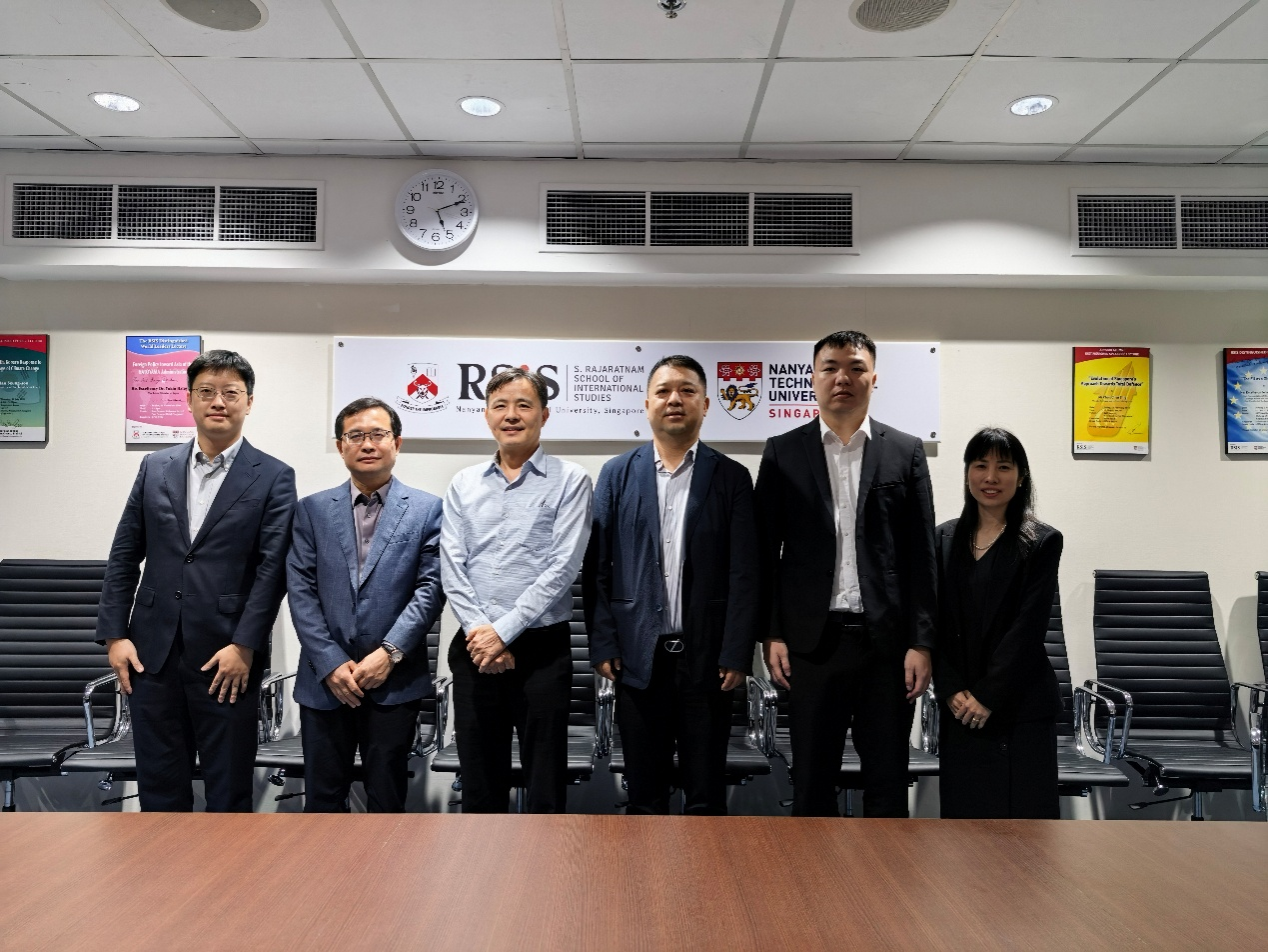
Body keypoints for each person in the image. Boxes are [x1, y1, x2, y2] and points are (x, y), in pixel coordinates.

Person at [98, 350, 296, 812]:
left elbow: (273, 571)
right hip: (151, 654)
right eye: (206, 391)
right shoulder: (155, 467)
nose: (218, 402)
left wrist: (245, 645)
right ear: (188, 400)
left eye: (231, 393)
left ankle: (227, 865)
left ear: (249, 402)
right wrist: (115, 636)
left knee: (228, 791)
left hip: (226, 658)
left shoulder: (273, 476)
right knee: (159, 786)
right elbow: (124, 553)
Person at [755, 330, 937, 818]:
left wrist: (922, 643)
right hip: (811, 644)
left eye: (856, 368)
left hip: (888, 646)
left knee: (887, 781)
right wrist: (772, 632)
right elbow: (764, 554)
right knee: (812, 781)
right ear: (812, 377)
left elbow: (922, 556)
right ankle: (813, 870)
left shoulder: (905, 451)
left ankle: (885, 871)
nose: (843, 378)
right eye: (831, 367)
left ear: (873, 379)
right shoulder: (782, 451)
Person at [584, 355, 759, 815]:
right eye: (663, 391)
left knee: (705, 796)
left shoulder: (732, 477)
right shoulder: (617, 474)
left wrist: (736, 652)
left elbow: (745, 574)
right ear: (647, 405)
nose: (674, 400)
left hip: (709, 662)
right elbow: (597, 568)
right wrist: (603, 643)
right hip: (637, 658)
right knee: (645, 796)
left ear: (706, 403)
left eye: (686, 390)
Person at [440, 368, 593, 813]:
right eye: (500, 406)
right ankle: (484, 860)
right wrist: (482, 631)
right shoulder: (464, 483)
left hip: (542, 652)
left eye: (524, 405)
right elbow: (452, 564)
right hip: (475, 648)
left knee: (544, 782)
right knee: (479, 781)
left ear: (544, 415)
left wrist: (503, 632)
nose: (511, 415)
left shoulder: (571, 479)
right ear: (487, 415)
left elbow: (562, 567)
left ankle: (542, 862)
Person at [285, 397, 444, 813]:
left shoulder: (428, 509)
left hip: (394, 681)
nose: (367, 444)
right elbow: (300, 589)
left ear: (397, 443)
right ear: (341, 446)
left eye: (378, 434)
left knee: (387, 801)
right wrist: (330, 661)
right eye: (356, 435)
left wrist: (389, 653)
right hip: (325, 682)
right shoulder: (312, 510)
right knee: (322, 801)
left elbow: (431, 589)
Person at [934, 428, 1063, 819]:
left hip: (1019, 706)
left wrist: (988, 695)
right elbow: (932, 621)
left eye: (1003, 467)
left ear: (1021, 477)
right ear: (967, 473)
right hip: (960, 708)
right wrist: (950, 688)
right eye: (980, 465)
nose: (991, 477)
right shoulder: (942, 539)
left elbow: (1028, 627)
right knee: (963, 831)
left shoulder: (1041, 541)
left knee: (1024, 834)